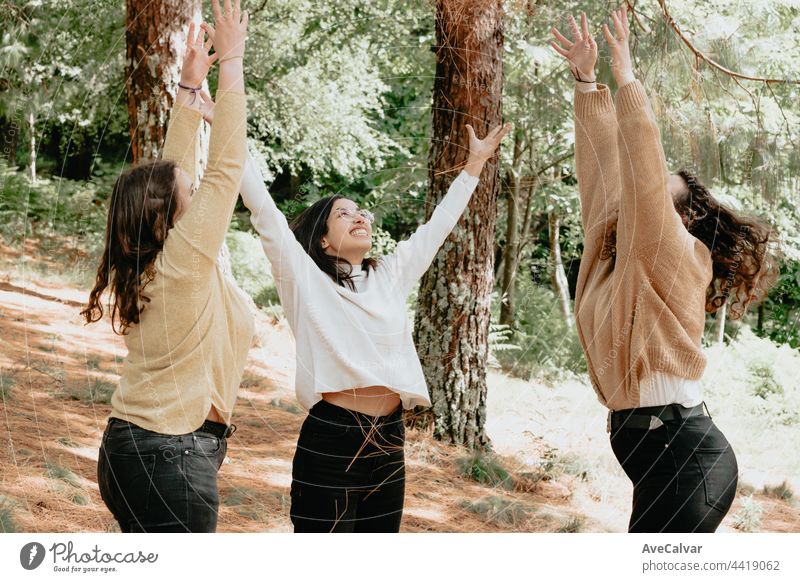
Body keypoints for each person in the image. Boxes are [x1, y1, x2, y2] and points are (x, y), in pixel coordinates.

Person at [550, 7, 776, 532]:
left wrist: (625, 79)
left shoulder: (674, 253)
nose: (638, 194)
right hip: (658, 452)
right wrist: (586, 83)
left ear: (683, 216)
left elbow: (641, 171)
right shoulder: (616, 252)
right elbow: (604, 173)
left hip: (686, 455)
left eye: (654, 193)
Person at [237, 115, 511, 531]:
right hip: (332, 436)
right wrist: (224, 127)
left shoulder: (389, 276)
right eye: (343, 214)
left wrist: (473, 166)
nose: (358, 216)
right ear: (323, 239)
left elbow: (437, 227)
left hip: (389, 438)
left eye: (360, 211)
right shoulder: (304, 279)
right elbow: (262, 207)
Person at [82, 0, 251, 532]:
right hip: (167, 457)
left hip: (143, 450)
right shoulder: (182, 261)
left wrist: (186, 88)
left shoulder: (157, 259)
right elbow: (225, 166)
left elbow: (172, 172)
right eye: (190, 194)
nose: (198, 190)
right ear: (167, 216)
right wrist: (233, 62)